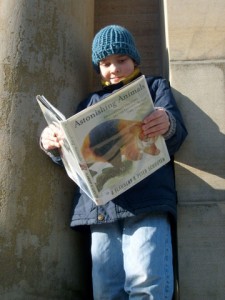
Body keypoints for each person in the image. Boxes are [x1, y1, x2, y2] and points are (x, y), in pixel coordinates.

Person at [40, 25, 188, 300]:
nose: (114, 68)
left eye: (121, 60)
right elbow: (77, 162)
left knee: (147, 281)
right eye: (106, 63)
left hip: (147, 200)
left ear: (134, 59)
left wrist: (166, 123)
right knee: (106, 289)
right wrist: (54, 145)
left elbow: (176, 133)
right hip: (102, 209)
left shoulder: (154, 87)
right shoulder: (88, 103)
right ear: (99, 67)